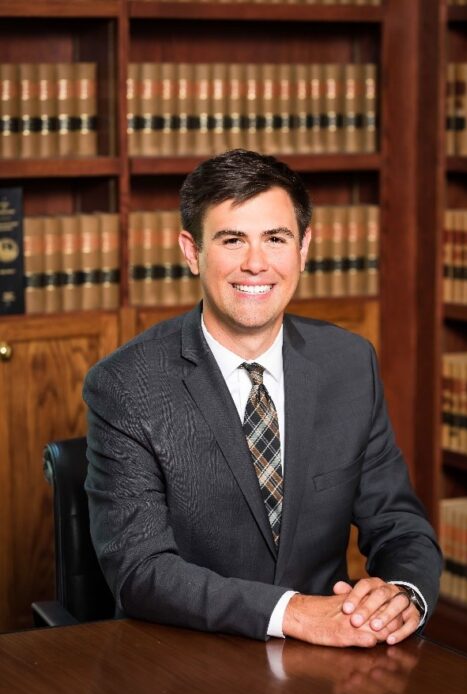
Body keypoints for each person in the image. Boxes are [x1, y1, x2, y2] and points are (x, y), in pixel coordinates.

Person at [84, 149, 442, 647]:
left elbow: (399, 524)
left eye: (276, 239)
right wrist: (292, 613)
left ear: (304, 248)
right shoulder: (127, 385)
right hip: (184, 660)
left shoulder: (349, 362)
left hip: (327, 658)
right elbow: (140, 570)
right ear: (192, 252)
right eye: (233, 240)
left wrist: (403, 595)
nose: (256, 264)